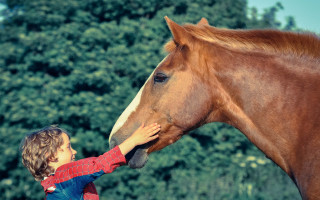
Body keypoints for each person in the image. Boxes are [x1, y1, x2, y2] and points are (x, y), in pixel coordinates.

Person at [20, 123, 160, 199]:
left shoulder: (53, 187)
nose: (74, 151)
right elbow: (98, 165)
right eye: (68, 147)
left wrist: (125, 159)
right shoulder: (65, 175)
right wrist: (134, 140)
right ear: (51, 156)